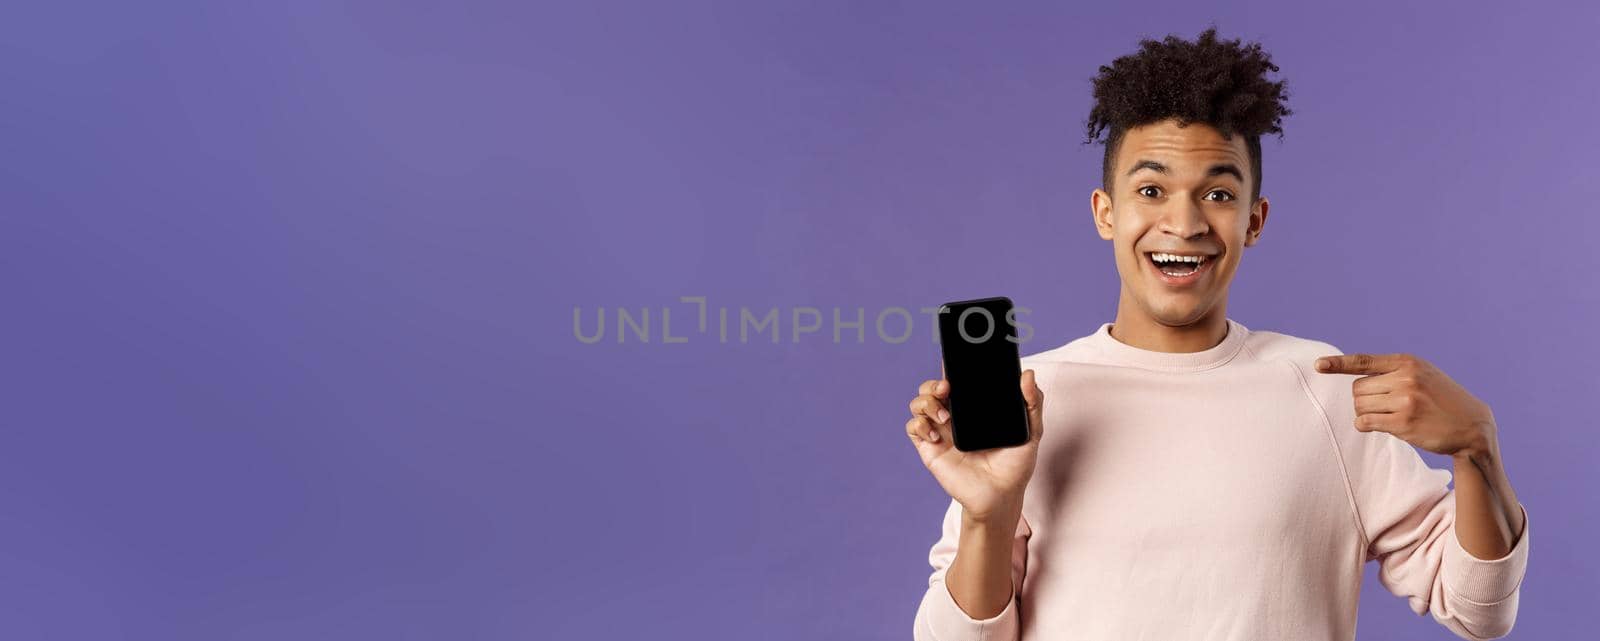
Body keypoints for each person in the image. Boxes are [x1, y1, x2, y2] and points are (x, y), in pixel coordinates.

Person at [903, 28, 1529, 641]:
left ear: (1254, 220)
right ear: (1105, 212)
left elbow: (1478, 611)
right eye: (1151, 190)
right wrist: (989, 515)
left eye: (1219, 194)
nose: (1183, 222)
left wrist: (1479, 451)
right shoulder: (1033, 400)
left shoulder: (1323, 389)